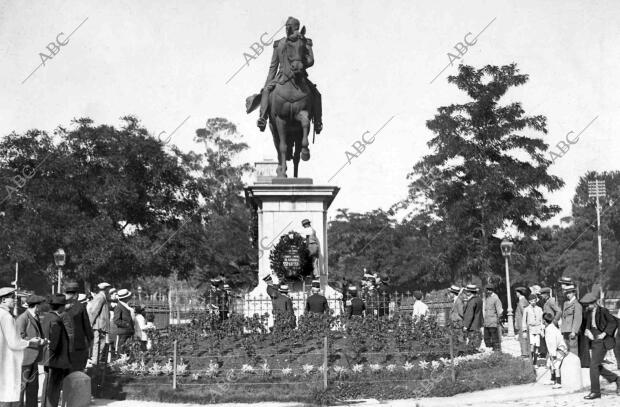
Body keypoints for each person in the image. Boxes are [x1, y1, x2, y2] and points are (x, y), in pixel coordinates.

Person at [256, 16, 322, 134]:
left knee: (317, 94)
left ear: (295, 27)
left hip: (300, 76)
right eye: (286, 27)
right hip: (281, 76)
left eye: (289, 26)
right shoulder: (279, 44)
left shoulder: (304, 41)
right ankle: (263, 118)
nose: (287, 29)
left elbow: (311, 60)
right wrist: (266, 84)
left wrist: (301, 64)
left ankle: (318, 121)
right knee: (266, 91)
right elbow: (273, 67)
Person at [1, 288, 43, 406]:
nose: (15, 300)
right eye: (12, 298)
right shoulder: (8, 317)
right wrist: (30, 342)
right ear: (3, 300)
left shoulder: (5, 315)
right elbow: (15, 342)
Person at [580, 292, 620, 400]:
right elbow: (585, 325)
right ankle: (616, 379)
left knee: (593, 366)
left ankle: (595, 392)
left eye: (589, 305)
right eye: (586, 305)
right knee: (596, 365)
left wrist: (604, 333)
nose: (587, 307)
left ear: (595, 303)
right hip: (593, 340)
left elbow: (613, 323)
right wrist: (587, 331)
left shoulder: (603, 311)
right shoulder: (587, 312)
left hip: (602, 340)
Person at [41, 294, 72, 407]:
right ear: (61, 307)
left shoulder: (47, 317)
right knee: (54, 387)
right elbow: (55, 340)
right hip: (56, 360)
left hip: (49, 358)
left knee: (47, 385)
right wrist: (54, 352)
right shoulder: (56, 319)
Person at [15, 295, 46, 407]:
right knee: (21, 388)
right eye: (41, 305)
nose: (42, 307)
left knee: (33, 388)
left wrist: (43, 340)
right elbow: (19, 338)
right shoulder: (22, 318)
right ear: (36, 306)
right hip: (24, 359)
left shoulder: (35, 316)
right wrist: (34, 341)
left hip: (33, 358)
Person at [64, 282, 93, 372]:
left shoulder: (58, 306)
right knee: (77, 370)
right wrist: (90, 338)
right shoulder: (80, 306)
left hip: (62, 344)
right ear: (76, 294)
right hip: (77, 344)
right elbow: (86, 325)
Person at [87, 282, 110, 365]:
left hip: (101, 325)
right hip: (99, 326)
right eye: (108, 288)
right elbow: (94, 311)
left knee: (101, 345)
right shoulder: (100, 297)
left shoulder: (103, 297)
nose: (109, 290)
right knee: (98, 344)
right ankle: (95, 362)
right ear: (106, 289)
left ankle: (97, 361)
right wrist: (90, 324)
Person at [543, 312, 567, 389]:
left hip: (559, 350)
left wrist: (553, 353)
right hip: (554, 349)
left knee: (556, 365)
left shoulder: (551, 330)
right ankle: (552, 379)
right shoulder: (549, 328)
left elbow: (553, 342)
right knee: (550, 363)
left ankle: (558, 382)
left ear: (544, 321)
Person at [560, 284, 582, 356]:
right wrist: (562, 330)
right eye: (566, 293)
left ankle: (574, 365)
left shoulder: (577, 304)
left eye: (569, 293)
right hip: (565, 330)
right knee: (566, 349)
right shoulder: (565, 303)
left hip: (571, 331)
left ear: (574, 293)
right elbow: (563, 318)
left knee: (573, 349)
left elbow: (577, 319)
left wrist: (574, 331)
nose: (567, 295)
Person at [522, 294, 543, 365]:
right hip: (530, 329)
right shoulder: (526, 309)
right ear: (529, 301)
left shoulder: (539, 309)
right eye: (531, 301)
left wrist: (542, 330)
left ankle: (535, 362)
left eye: (534, 301)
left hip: (537, 329)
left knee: (537, 346)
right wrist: (524, 331)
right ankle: (531, 361)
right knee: (531, 346)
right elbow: (524, 321)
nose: (533, 302)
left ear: (536, 300)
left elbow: (542, 321)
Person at [462, 284, 483, 350]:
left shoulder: (472, 301)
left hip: (472, 326)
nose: (466, 293)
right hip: (478, 324)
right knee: (476, 344)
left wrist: (465, 326)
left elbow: (469, 315)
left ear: (469, 292)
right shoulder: (479, 299)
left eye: (467, 291)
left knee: (472, 345)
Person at [483, 285, 503, 351]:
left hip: (493, 322)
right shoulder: (487, 298)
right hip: (487, 322)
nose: (488, 291)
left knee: (494, 338)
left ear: (492, 290)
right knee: (487, 338)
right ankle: (490, 350)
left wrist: (498, 320)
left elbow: (499, 311)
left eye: (490, 290)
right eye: (487, 290)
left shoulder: (496, 298)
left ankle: (496, 350)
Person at [514, 287, 530, 357]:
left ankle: (525, 353)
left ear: (519, 293)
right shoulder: (523, 300)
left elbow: (524, 313)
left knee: (523, 338)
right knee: (523, 337)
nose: (516, 294)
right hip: (522, 322)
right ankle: (525, 352)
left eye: (517, 292)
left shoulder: (522, 301)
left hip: (522, 323)